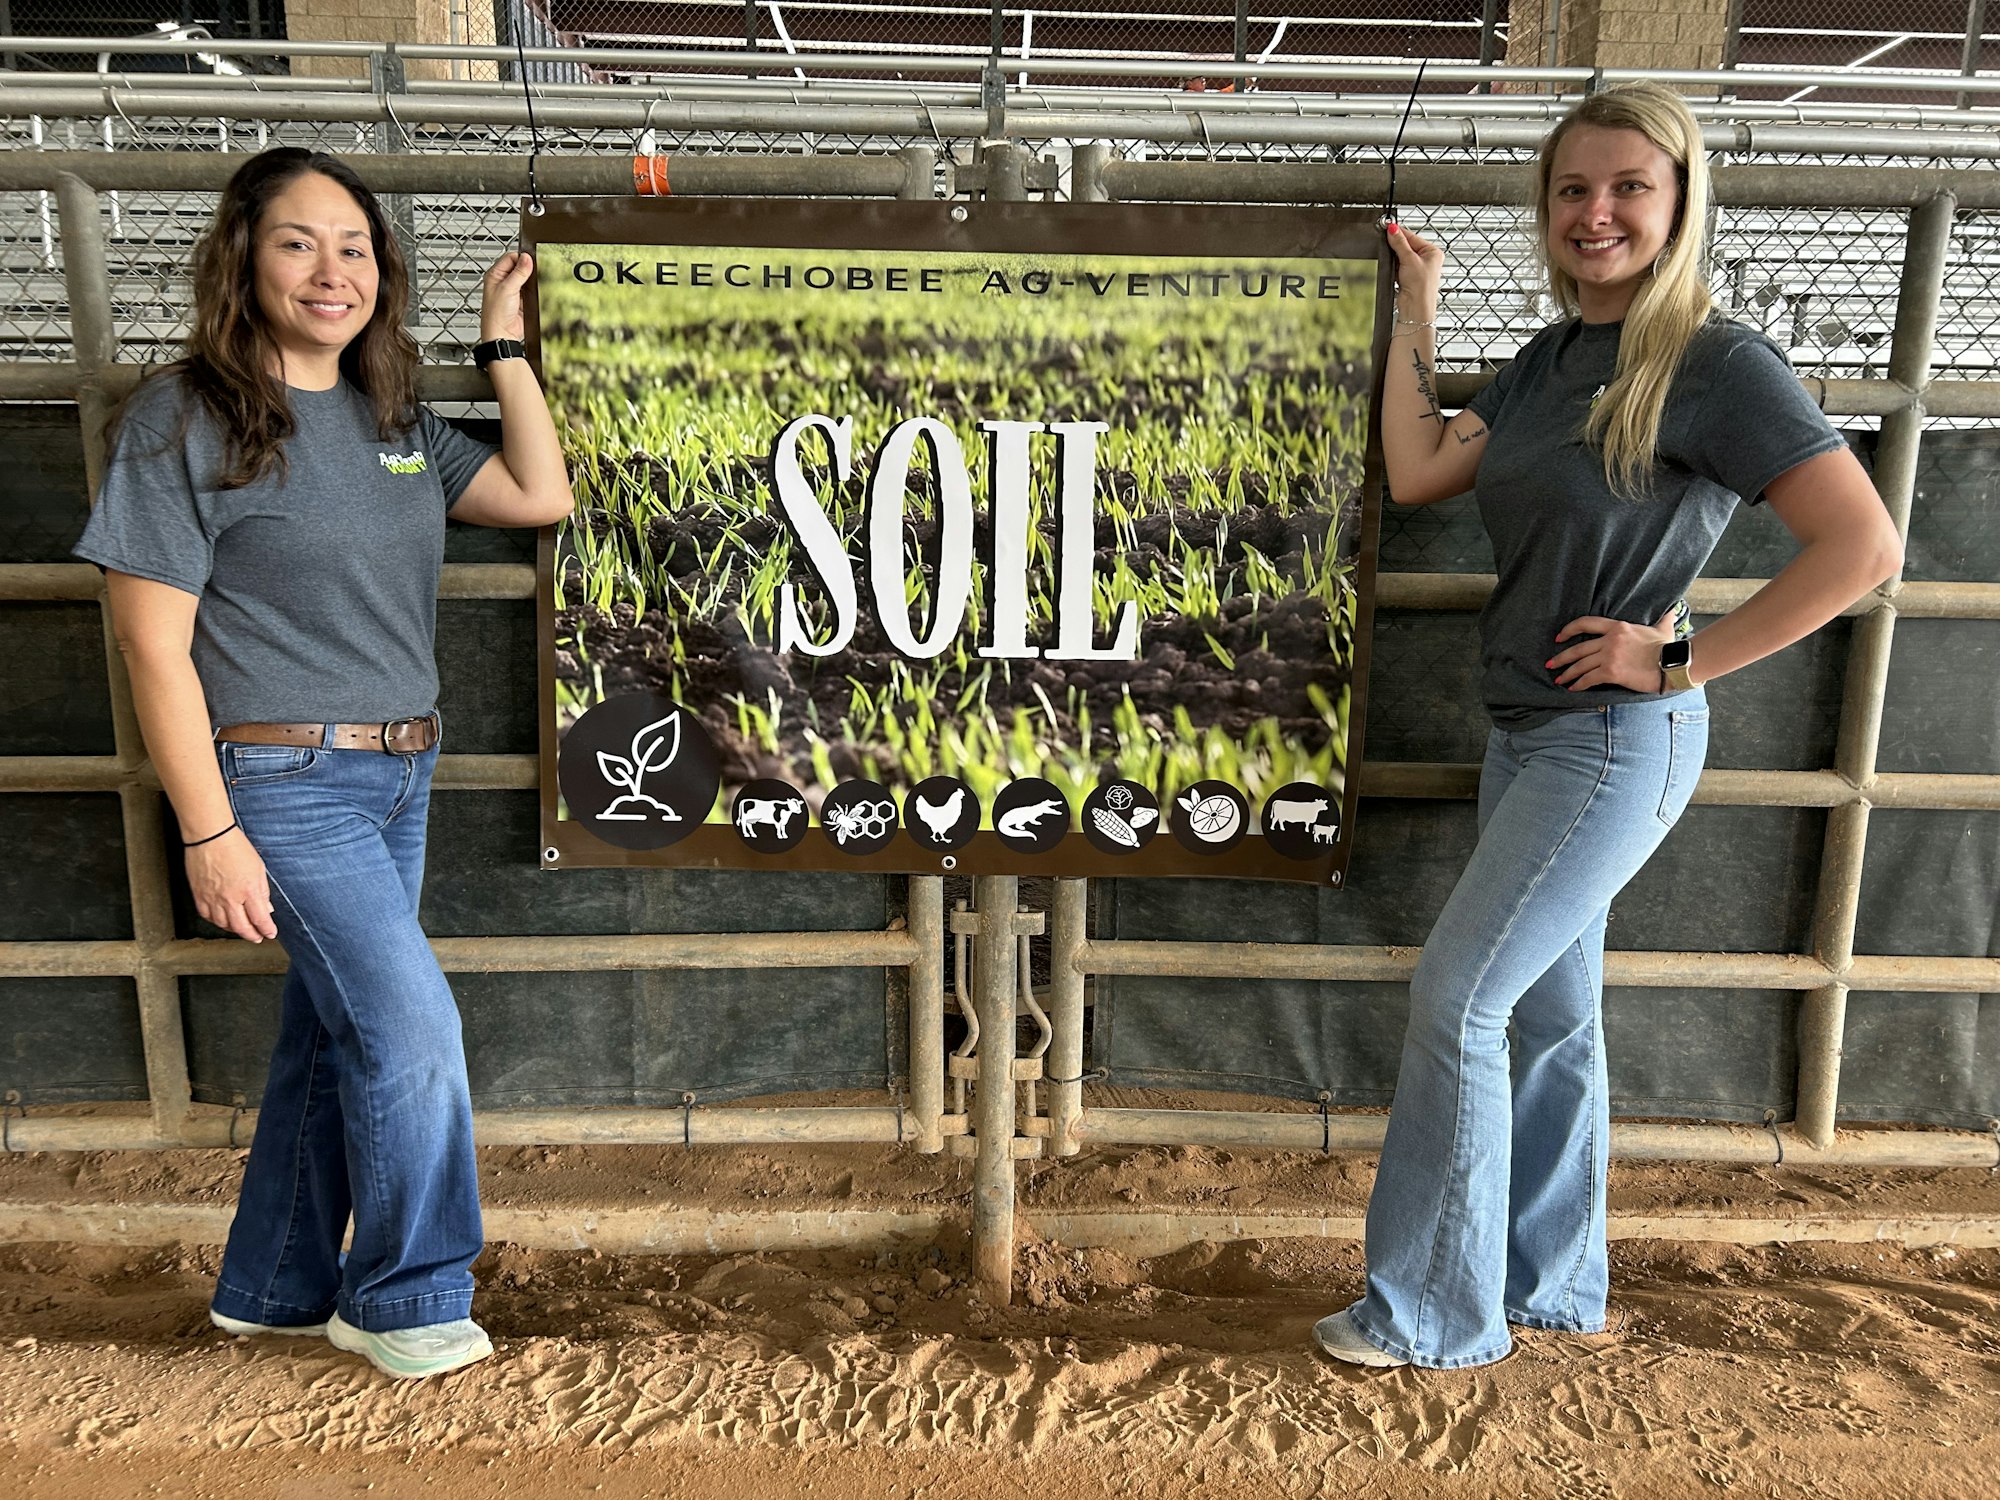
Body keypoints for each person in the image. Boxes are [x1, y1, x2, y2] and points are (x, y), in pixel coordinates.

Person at [1312, 82, 1902, 1370]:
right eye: (1574, 188)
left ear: (1678, 201)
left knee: (1457, 996)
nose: (1597, 212)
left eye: (1629, 186)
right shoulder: (1546, 362)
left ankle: (1427, 1313)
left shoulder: (1714, 362)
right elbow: (1415, 468)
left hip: (1610, 745)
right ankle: (1551, 1286)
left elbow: (1861, 543)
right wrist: (1419, 307)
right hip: (1529, 738)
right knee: (1545, 1020)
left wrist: (1679, 656)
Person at [75, 148, 573, 1380]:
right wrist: (207, 830)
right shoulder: (179, 419)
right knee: (409, 1029)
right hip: (278, 783)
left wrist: (501, 348)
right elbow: (151, 646)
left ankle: (274, 1284)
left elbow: (537, 492)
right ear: (243, 258)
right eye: (300, 242)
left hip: (401, 775)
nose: (331, 270)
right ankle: (405, 1297)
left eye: (354, 247)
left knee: (327, 1034)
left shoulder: (392, 420)